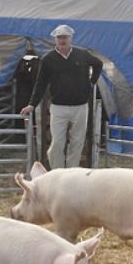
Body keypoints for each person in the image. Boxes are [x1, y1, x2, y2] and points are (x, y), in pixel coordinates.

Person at [21, 24, 103, 169]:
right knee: (57, 143)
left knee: (77, 143)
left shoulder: (82, 54)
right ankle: (57, 172)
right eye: (59, 37)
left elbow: (98, 64)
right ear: (55, 40)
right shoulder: (48, 59)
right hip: (59, 107)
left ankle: (71, 173)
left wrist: (92, 82)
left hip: (80, 106)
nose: (62, 40)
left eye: (65, 37)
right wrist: (32, 104)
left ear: (71, 38)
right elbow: (40, 83)